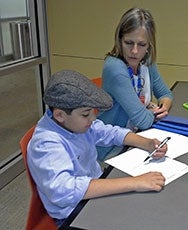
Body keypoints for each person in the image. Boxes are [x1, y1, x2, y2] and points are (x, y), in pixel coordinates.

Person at [27, 70, 166, 227]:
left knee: (146, 206)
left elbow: (109, 132)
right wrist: (134, 182)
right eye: (86, 114)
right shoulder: (46, 144)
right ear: (59, 115)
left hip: (92, 190)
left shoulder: (73, 123)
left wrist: (146, 143)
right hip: (73, 213)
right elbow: (65, 191)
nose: (92, 119)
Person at [97, 7, 173, 160]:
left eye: (142, 45)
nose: (135, 51)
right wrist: (151, 110)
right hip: (112, 149)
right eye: (129, 43)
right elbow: (143, 121)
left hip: (136, 137)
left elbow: (165, 94)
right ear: (119, 40)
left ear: (149, 45)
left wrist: (162, 107)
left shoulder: (147, 61)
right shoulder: (115, 68)